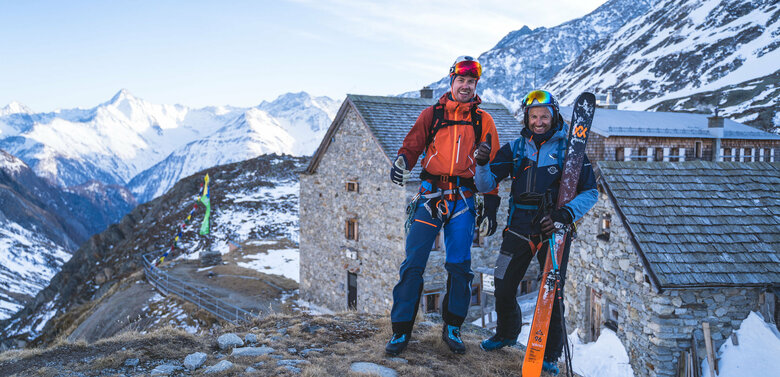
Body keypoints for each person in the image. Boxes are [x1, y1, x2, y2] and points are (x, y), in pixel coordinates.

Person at [474, 89, 597, 375]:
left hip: (554, 230)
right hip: (517, 229)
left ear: (554, 116)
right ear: (526, 118)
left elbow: (591, 192)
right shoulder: (515, 149)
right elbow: (485, 184)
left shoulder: (570, 150)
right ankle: (506, 333)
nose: (539, 121)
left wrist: (566, 214)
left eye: (544, 116)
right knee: (503, 285)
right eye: (533, 116)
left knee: (551, 294)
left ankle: (550, 355)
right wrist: (481, 164)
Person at [385, 56, 500, 356]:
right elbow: (412, 144)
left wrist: (491, 206)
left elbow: (493, 167)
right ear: (451, 82)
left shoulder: (483, 121)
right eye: (461, 80)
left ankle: (452, 327)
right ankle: (400, 331)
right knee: (413, 262)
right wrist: (402, 162)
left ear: (476, 86)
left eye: (471, 82)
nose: (465, 86)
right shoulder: (432, 114)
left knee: (460, 266)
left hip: (463, 198)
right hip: (429, 195)